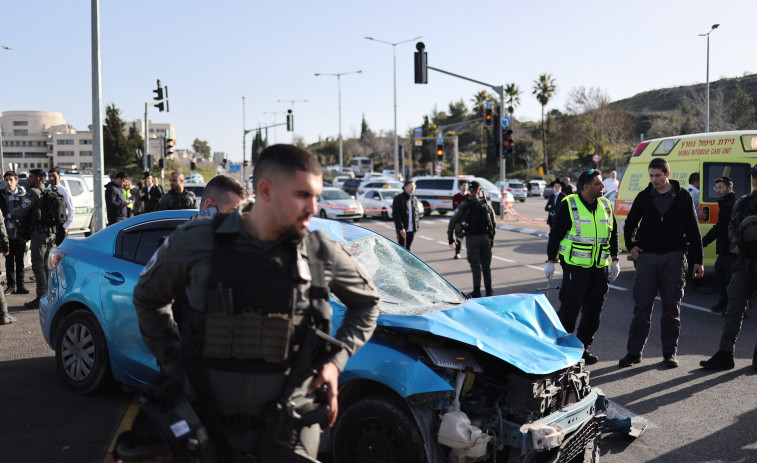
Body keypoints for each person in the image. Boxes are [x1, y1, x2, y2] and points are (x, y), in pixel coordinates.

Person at [133, 144, 380, 461]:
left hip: (287, 432)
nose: (313, 208)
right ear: (266, 190)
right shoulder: (198, 239)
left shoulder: (319, 251)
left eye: (316, 197)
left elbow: (368, 303)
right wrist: (173, 364)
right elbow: (148, 297)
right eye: (303, 195)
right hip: (203, 427)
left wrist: (336, 361)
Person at [619, 158, 703, 369]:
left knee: (671, 308)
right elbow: (629, 224)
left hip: (673, 258)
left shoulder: (683, 196)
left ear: (667, 173)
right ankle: (634, 353)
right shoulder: (644, 196)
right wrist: (631, 246)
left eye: (657, 175)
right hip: (647, 258)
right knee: (642, 308)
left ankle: (669, 354)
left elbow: (694, 230)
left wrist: (698, 261)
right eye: (651, 175)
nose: (654, 180)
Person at [544, 169, 619, 365]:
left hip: (599, 268)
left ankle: (583, 348)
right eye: (598, 184)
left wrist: (615, 259)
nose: (603, 187)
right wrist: (551, 260)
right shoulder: (569, 204)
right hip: (575, 267)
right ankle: (562, 349)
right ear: (586, 187)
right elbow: (556, 234)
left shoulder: (605, 205)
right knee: (570, 309)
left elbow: (613, 233)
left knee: (594, 311)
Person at [700, 167, 757, 371]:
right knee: (734, 308)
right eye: (754, 177)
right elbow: (732, 227)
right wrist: (735, 243)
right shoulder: (744, 202)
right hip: (745, 262)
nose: (755, 181)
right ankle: (725, 354)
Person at [12, 169, 57, 310]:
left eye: (30, 177)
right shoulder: (49, 191)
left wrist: (11, 211)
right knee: (46, 265)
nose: (28, 180)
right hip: (51, 234)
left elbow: (22, 210)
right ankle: (51, 296)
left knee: (38, 265)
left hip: (40, 234)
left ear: (38, 179)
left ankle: (41, 297)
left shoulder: (34, 193)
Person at [447, 181, 496, 298]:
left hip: (471, 238)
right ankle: (489, 291)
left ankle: (477, 291)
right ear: (479, 190)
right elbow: (493, 223)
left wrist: (450, 238)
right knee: (486, 266)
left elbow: (453, 220)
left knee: (475, 266)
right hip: (485, 239)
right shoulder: (486, 204)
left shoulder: (465, 204)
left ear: (470, 190)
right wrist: (491, 239)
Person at [701, 177, 737, 314]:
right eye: (717, 188)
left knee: (730, 279)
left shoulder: (729, 205)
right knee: (720, 271)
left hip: (730, 247)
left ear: (730, 188)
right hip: (725, 248)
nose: (718, 191)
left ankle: (736, 309)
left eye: (721, 187)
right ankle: (724, 303)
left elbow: (720, 228)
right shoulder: (725, 203)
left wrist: (703, 241)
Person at [0, 171, 29, 296]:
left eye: (11, 179)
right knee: (9, 261)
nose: (9, 182)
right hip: (7, 233)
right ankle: (11, 286)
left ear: (16, 181)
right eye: (6, 180)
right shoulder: (2, 195)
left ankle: (21, 286)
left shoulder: (23, 194)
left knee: (20, 261)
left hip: (20, 233)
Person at [47, 167, 75, 246]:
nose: (51, 178)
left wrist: (66, 226)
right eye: (49, 176)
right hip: (50, 226)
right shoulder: (47, 190)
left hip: (61, 225)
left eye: (54, 176)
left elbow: (71, 210)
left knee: (61, 250)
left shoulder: (64, 191)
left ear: (59, 177)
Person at [392, 180, 420, 250]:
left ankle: (407, 261)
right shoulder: (399, 198)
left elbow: (416, 213)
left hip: (412, 228)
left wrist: (416, 226)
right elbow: (396, 214)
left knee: (408, 248)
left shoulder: (414, 199)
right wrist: (400, 228)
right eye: (410, 186)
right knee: (402, 248)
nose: (412, 187)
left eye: (414, 186)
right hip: (403, 228)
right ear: (405, 187)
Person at [451, 180, 470, 259]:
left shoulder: (469, 196)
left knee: (469, 238)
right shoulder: (456, 196)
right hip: (458, 220)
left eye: (466, 185)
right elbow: (455, 208)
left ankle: (469, 254)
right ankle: (457, 253)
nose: (465, 187)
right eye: (463, 185)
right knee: (458, 236)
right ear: (460, 186)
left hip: (468, 219)